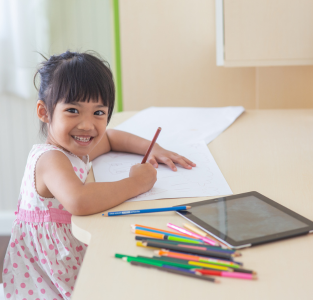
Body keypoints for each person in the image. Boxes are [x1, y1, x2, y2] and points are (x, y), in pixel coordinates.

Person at [2, 51, 196, 299]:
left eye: (98, 113)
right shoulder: (51, 159)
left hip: (66, 251)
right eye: (73, 110)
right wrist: (136, 182)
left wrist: (154, 148)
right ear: (44, 112)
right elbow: (79, 200)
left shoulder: (75, 146)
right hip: (45, 272)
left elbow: (112, 138)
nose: (87, 125)